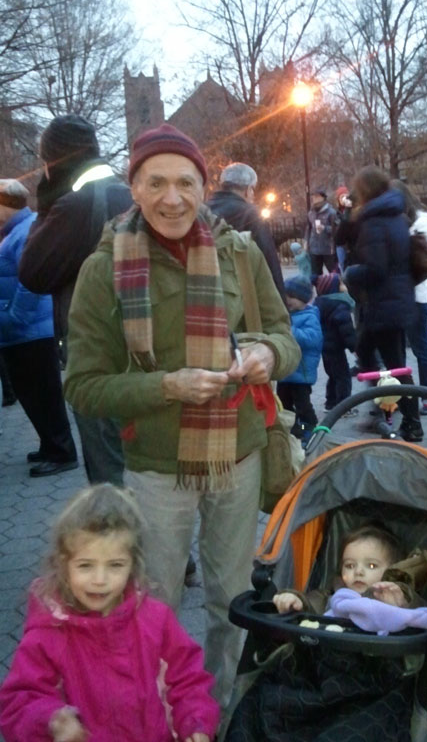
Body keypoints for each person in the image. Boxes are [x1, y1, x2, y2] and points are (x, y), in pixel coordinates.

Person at [63, 123, 300, 709]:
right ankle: (157, 712)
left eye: (185, 182)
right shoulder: (103, 269)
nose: (172, 197)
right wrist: (165, 386)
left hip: (240, 455)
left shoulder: (239, 251)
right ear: (134, 189)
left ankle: (225, 711)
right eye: (156, 182)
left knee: (233, 600)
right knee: (155, 601)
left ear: (203, 185)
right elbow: (83, 386)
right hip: (156, 464)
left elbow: (285, 336)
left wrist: (267, 354)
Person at [0, 483, 219, 742]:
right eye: (85, 565)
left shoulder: (155, 619)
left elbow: (188, 679)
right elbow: (18, 701)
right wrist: (51, 720)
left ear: (133, 565)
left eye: (115, 565)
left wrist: (195, 723)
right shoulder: (48, 632)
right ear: (63, 564)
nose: (100, 579)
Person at [19, 114, 131, 486]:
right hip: (141, 347)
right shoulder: (126, 192)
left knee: (108, 470)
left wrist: (46, 203)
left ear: (55, 158)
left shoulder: (74, 204)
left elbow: (33, 272)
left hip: (95, 351)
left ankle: (121, 540)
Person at [0, 179, 77, 477]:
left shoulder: (25, 231)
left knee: (43, 394)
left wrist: (13, 317)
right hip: (21, 332)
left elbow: (31, 282)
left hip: (30, 331)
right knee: (32, 395)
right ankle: (50, 445)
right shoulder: (16, 230)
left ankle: (62, 452)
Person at [344, 166, 423, 442]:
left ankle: (402, 417)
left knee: (384, 362)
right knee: (387, 362)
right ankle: (391, 412)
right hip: (395, 300)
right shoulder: (394, 215)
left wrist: (351, 273)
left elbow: (376, 268)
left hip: (384, 303)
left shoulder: (375, 221)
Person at [273, 523, 427, 614]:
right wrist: (296, 601)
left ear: (391, 569)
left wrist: (404, 603)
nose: (358, 572)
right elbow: (311, 604)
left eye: (371, 565)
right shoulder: (330, 597)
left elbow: (424, 614)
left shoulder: (397, 595)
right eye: (349, 565)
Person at [207, 161, 285, 300]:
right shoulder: (250, 213)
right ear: (248, 190)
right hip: (244, 292)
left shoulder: (204, 211)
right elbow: (268, 259)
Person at [396, 182, 427, 415]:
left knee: (421, 348)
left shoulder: (422, 221)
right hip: (400, 295)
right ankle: (399, 397)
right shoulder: (402, 220)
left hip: (416, 295)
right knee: (400, 350)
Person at [276, 275, 322, 443]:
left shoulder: (310, 316)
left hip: (301, 374)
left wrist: (291, 330)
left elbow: (313, 339)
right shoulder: (287, 314)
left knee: (303, 406)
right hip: (285, 372)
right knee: (285, 405)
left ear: (303, 299)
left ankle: (310, 428)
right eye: (286, 296)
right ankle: (295, 430)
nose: (288, 300)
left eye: (293, 297)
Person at [314, 272, 356, 415]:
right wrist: (354, 347)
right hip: (336, 348)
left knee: (333, 375)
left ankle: (330, 403)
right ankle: (343, 407)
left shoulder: (320, 303)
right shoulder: (339, 305)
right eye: (341, 284)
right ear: (334, 288)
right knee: (343, 376)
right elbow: (347, 330)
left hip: (325, 347)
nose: (345, 286)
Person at [305, 189, 338, 276]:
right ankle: (320, 289)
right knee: (315, 275)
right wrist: (306, 242)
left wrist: (325, 228)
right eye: (313, 197)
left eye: (316, 196)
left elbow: (337, 229)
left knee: (334, 273)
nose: (314, 198)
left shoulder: (331, 212)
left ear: (323, 198)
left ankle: (337, 288)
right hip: (314, 249)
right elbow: (308, 228)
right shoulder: (311, 213)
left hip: (328, 249)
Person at [334, 185, 352, 270]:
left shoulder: (351, 209)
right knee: (342, 263)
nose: (344, 198)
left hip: (349, 242)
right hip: (340, 244)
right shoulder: (336, 213)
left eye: (345, 196)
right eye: (342, 197)